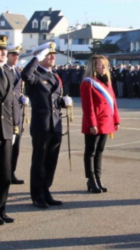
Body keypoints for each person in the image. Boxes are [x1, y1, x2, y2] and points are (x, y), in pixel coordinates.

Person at [21, 42, 73, 209]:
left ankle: (46, 190)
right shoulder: (35, 75)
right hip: (41, 125)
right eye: (48, 54)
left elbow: (55, 99)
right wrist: (36, 57)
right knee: (39, 161)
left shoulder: (55, 76)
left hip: (56, 125)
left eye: (53, 54)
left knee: (51, 161)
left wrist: (64, 103)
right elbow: (25, 75)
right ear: (40, 57)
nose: (52, 57)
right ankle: (37, 195)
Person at [80, 55, 120, 193]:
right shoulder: (88, 83)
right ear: (93, 66)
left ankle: (98, 178)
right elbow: (88, 106)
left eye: (105, 65)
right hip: (95, 122)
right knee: (90, 151)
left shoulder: (107, 82)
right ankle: (91, 179)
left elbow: (113, 102)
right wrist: (92, 124)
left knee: (100, 152)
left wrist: (116, 120)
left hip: (106, 121)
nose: (104, 67)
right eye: (100, 65)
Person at [3, 45, 28, 185]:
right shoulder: (4, 71)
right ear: (7, 56)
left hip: (17, 115)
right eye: (13, 54)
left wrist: (22, 98)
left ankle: (11, 173)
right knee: (6, 148)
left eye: (17, 55)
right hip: (6, 115)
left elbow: (17, 91)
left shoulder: (17, 72)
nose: (16, 57)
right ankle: (4, 174)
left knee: (16, 146)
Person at [0, 35, 15, 225]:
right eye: (0, 50)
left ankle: (1, 209)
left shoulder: (6, 72)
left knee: (5, 173)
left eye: (4, 50)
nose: (3, 53)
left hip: (5, 129)